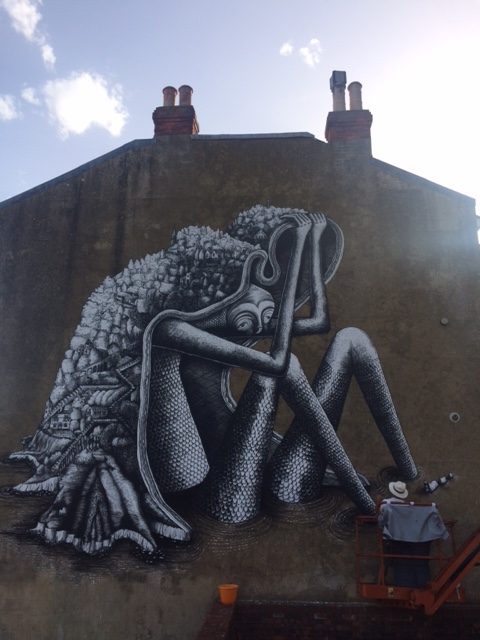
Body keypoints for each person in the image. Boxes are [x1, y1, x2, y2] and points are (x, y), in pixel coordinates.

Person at [10, 206, 418, 555]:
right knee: (279, 364)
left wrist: (310, 244)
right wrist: (293, 265)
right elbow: (276, 364)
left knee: (351, 339)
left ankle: (406, 470)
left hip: (278, 485)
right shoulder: (170, 330)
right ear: (222, 299)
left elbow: (319, 321)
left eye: (267, 311)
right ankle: (366, 501)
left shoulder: (236, 319)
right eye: (249, 314)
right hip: (219, 501)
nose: (262, 321)